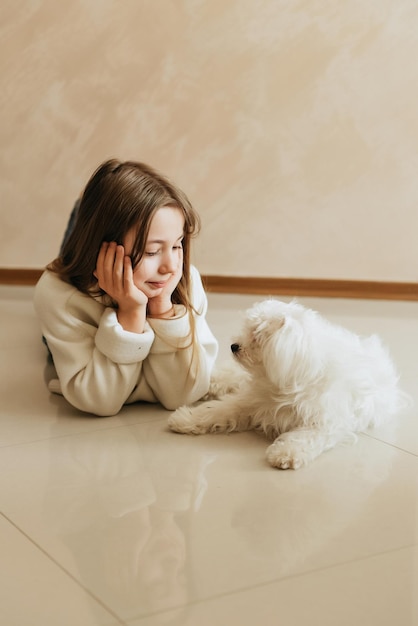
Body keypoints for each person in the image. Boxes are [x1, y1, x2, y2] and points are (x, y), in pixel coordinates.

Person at [34, 159, 218, 416]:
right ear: (105, 251)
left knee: (95, 217)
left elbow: (184, 394)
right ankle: (83, 209)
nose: (170, 266)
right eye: (152, 251)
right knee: (79, 241)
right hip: (86, 288)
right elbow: (99, 400)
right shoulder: (58, 294)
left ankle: (86, 208)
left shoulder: (182, 277)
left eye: (177, 245)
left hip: (115, 252)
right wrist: (131, 312)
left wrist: (162, 308)